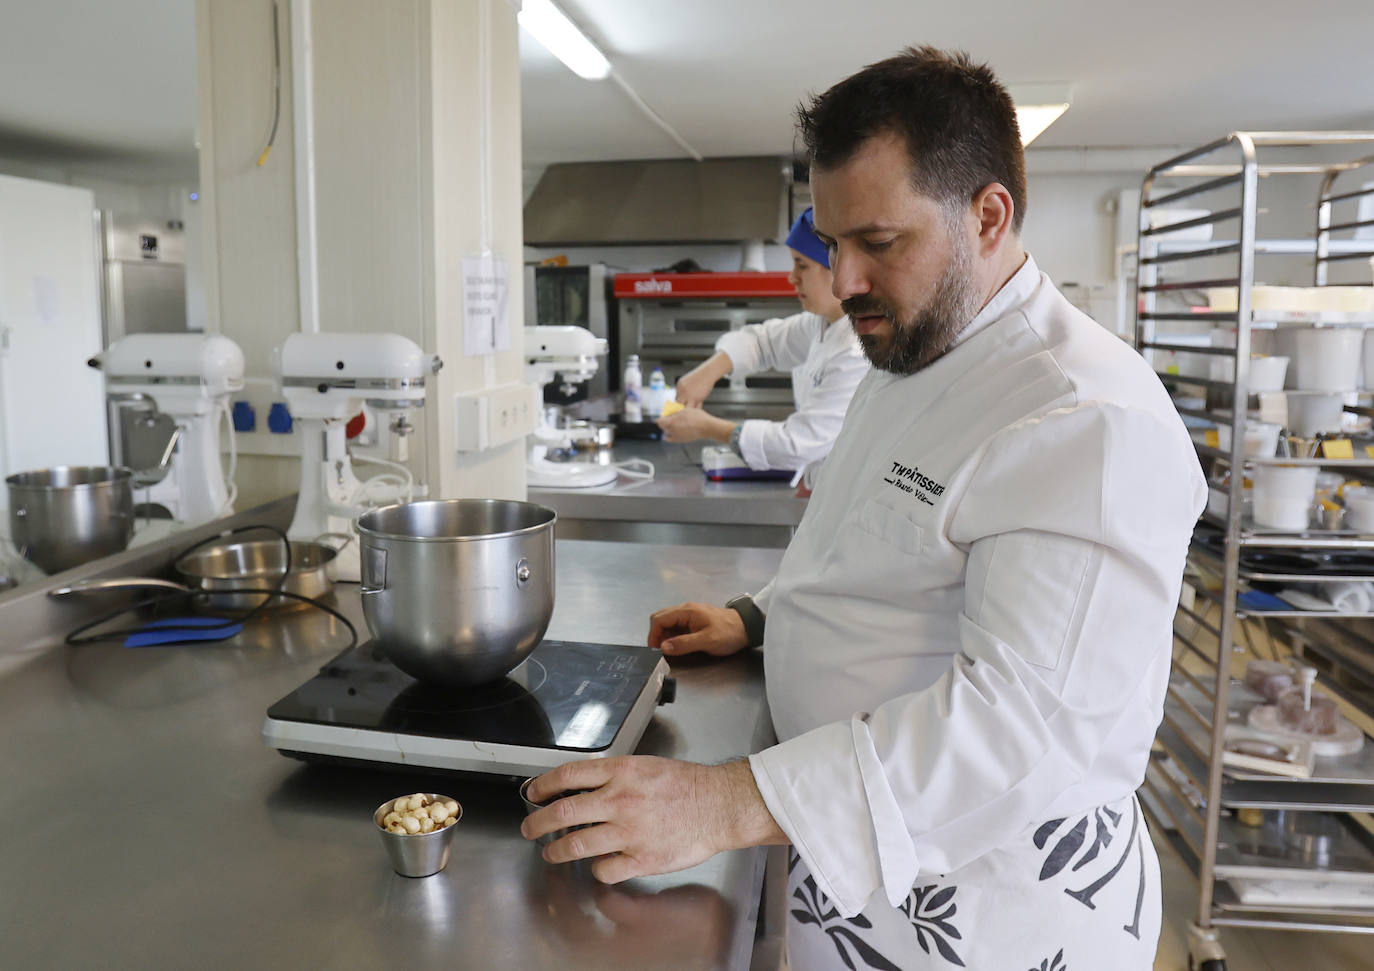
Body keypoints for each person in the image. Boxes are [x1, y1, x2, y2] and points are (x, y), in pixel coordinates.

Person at [522, 46, 1206, 970]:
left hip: (989, 916)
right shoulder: (917, 346)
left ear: (989, 215)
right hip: (859, 885)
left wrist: (725, 801)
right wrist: (757, 619)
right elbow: (869, 544)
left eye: (877, 244)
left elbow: (1019, 729)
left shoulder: (1083, 420)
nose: (841, 283)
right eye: (831, 241)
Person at [657, 208, 869, 484]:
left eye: (801, 265)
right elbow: (765, 341)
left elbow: (797, 443)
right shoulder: (822, 324)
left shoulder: (856, 351)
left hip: (847, 494)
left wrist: (707, 427)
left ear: (837, 268)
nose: (791, 277)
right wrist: (710, 370)